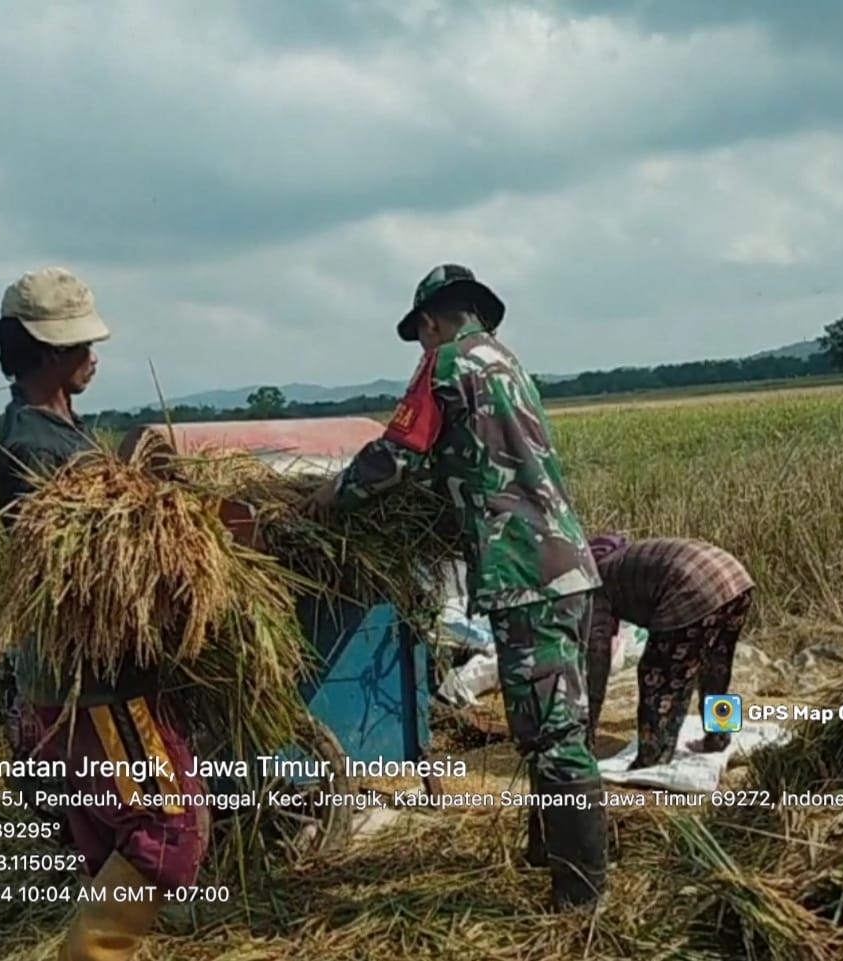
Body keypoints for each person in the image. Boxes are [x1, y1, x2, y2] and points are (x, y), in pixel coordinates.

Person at [304, 264, 608, 910]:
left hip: (525, 573)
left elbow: (397, 455)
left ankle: (581, 903)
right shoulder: (507, 364)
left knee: (554, 736)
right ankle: (547, 855)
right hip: (569, 563)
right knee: (561, 723)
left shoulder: (446, 366)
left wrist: (332, 494)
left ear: (432, 321)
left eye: (419, 335)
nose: (421, 347)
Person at [0, 267, 209, 961]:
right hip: (101, 685)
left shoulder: (58, 432)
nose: (93, 355)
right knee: (167, 832)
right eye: (81, 343)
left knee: (109, 838)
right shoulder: (35, 449)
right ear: (49, 350)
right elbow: (96, 574)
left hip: (74, 684)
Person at [583, 534, 755, 769]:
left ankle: (652, 759)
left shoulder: (595, 584)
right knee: (716, 667)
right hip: (735, 578)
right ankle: (719, 736)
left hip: (693, 589)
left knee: (660, 677)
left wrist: (586, 730)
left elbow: (597, 659)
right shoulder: (622, 559)